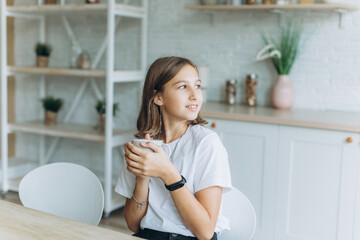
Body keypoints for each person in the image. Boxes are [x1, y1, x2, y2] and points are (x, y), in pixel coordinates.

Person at [115, 56, 232, 240]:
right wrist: (142, 179)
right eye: (183, 87)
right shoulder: (142, 146)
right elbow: (134, 225)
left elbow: (205, 232)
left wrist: (169, 174)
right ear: (158, 97)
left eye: (198, 86)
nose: (195, 95)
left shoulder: (207, 143)